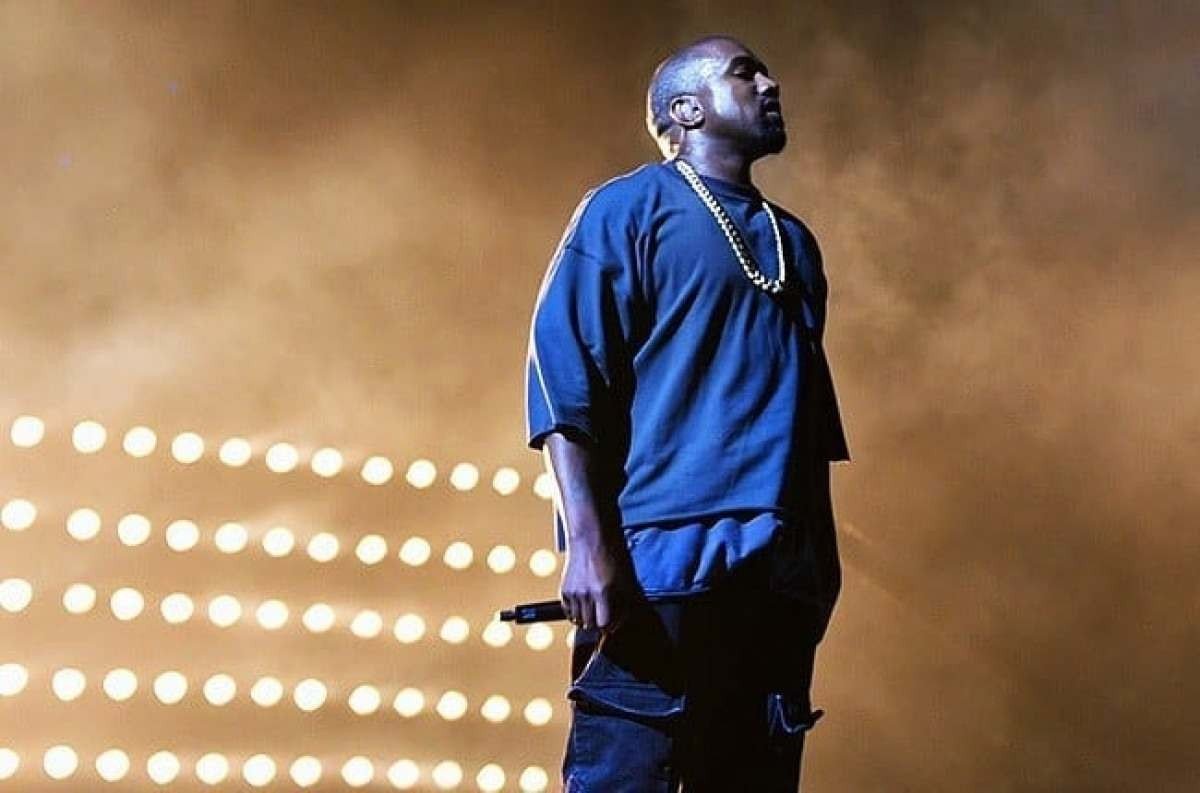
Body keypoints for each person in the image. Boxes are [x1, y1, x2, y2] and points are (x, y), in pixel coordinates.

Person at [524, 34, 850, 792]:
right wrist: (587, 544)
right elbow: (564, 387)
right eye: (745, 73)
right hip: (662, 560)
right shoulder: (627, 209)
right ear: (686, 109)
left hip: (776, 577)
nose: (770, 83)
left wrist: (818, 569)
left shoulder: (793, 243)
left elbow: (806, 420)